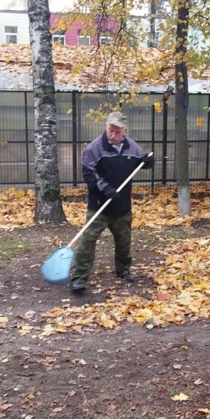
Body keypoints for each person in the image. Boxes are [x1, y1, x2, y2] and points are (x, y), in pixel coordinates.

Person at [69, 111, 155, 293]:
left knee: (124, 241)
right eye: (110, 130)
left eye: (117, 131)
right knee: (88, 241)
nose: (113, 135)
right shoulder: (94, 149)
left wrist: (147, 162)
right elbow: (89, 173)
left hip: (122, 207)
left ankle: (123, 269)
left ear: (124, 130)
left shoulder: (133, 148)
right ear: (106, 128)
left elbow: (141, 162)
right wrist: (105, 189)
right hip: (99, 207)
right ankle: (79, 277)